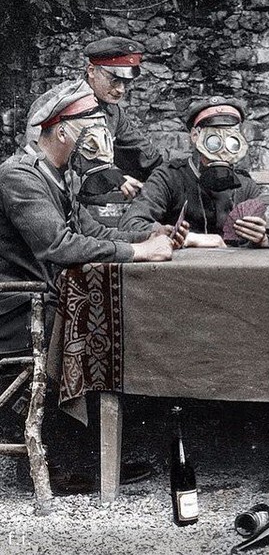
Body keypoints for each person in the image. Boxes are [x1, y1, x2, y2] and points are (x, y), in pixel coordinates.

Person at [0, 80, 183, 492]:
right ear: (63, 130)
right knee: (92, 328)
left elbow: (94, 232)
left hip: (41, 300)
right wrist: (140, 253)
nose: (101, 137)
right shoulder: (19, 176)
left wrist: (152, 235)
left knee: (107, 322)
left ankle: (94, 457)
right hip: (16, 308)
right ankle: (64, 464)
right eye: (92, 127)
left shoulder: (58, 176)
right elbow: (57, 244)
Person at [119, 96, 269, 248]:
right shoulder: (169, 177)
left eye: (230, 141)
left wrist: (263, 240)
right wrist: (185, 238)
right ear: (195, 136)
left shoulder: (245, 185)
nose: (222, 151)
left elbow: (257, 243)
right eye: (213, 140)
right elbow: (131, 224)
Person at [24, 36, 163, 199]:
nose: (121, 90)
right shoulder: (56, 103)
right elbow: (37, 163)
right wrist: (111, 177)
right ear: (91, 71)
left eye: (126, 82)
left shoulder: (113, 111)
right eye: (114, 80)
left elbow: (140, 150)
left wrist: (170, 173)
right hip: (46, 194)